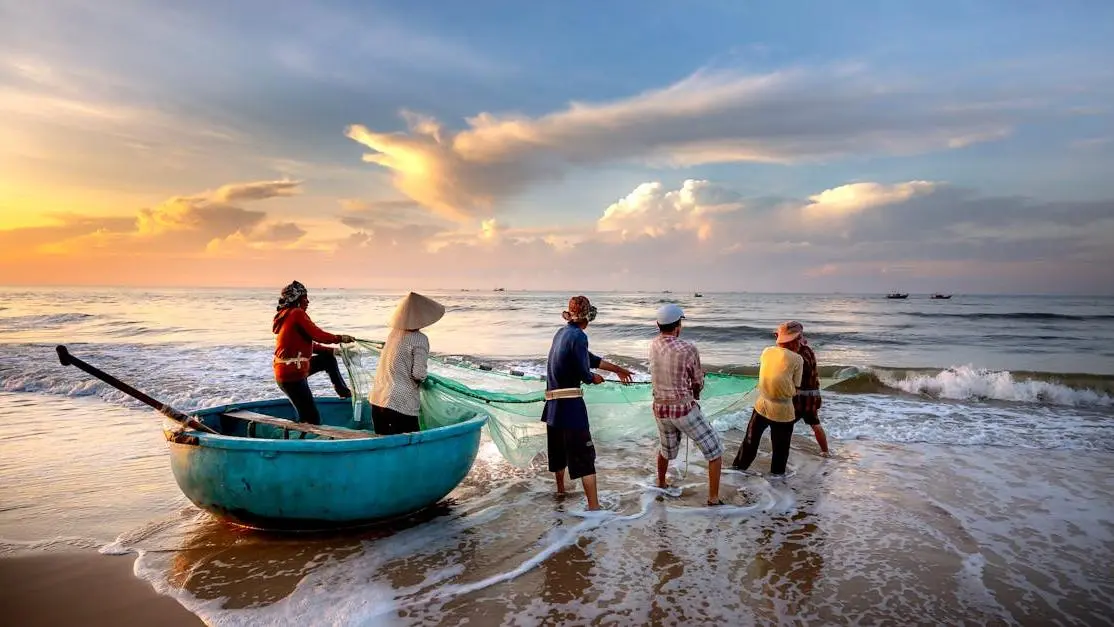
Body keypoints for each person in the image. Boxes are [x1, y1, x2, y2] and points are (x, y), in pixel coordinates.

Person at [542, 295, 634, 510]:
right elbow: (585, 372)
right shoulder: (580, 337)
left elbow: (591, 359)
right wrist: (595, 378)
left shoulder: (562, 333)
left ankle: (561, 492)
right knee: (585, 458)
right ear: (588, 318)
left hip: (553, 407)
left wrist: (619, 370)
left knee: (558, 454)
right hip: (571, 407)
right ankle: (594, 508)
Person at [649, 304, 724, 506]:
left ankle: (661, 482)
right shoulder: (689, 348)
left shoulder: (653, 344)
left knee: (666, 451)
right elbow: (697, 382)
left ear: (658, 325)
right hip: (682, 409)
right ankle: (713, 498)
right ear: (678, 325)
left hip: (660, 408)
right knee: (715, 451)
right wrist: (697, 391)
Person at [272, 281, 355, 425]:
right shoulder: (297, 313)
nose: (308, 301)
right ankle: (300, 444)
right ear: (297, 300)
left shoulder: (286, 315)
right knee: (311, 419)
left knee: (327, 359)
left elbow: (308, 344)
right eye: (305, 298)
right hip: (292, 374)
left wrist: (334, 351)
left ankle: (344, 393)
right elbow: (318, 335)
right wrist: (340, 338)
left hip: (290, 370)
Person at [731, 321, 804, 476]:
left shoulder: (766, 351)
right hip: (783, 411)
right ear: (794, 339)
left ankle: (736, 473)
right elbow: (796, 388)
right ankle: (776, 484)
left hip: (762, 405)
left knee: (749, 443)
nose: (802, 341)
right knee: (780, 451)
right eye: (800, 338)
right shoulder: (798, 359)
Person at [369, 292, 445, 435]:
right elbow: (418, 374)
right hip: (400, 404)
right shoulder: (420, 339)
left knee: (385, 446)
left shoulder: (393, 334)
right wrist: (425, 379)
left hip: (377, 400)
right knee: (411, 446)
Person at [790, 322, 830, 456]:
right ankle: (825, 451)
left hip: (802, 397)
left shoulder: (799, 355)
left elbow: (797, 375)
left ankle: (782, 450)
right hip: (812, 395)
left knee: (786, 423)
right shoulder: (808, 350)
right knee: (815, 424)